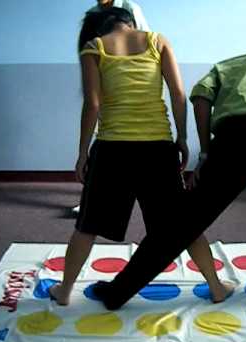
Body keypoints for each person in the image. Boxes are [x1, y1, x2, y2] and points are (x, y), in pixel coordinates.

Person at [92, 48, 246, 310]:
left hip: (238, 137)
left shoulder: (224, 66)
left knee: (185, 220)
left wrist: (206, 153)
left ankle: (118, 292)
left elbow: (200, 98)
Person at [49, 8, 233, 306]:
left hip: (112, 150)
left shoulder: (93, 47)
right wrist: (183, 138)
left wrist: (82, 152)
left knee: (87, 225)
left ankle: (65, 292)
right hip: (157, 150)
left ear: (98, 28)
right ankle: (215, 287)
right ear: (130, 22)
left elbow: (93, 105)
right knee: (181, 225)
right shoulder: (157, 40)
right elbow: (178, 93)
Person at [72, 0, 150, 215]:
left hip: (130, 80)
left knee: (134, 138)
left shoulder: (130, 8)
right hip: (102, 72)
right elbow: (85, 45)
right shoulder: (93, 13)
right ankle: (91, 199)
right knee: (101, 133)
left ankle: (136, 196)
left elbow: (144, 41)